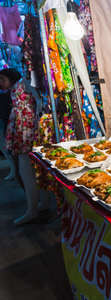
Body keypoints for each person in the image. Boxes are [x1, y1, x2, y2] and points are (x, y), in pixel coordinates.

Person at [0, 68, 48, 225]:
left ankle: (33, 210)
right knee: (30, 171)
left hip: (27, 132)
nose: (1, 83)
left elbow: (40, 101)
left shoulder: (24, 83)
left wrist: (39, 123)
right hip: (22, 130)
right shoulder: (16, 88)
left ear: (11, 77)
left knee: (27, 171)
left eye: (2, 79)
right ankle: (38, 205)